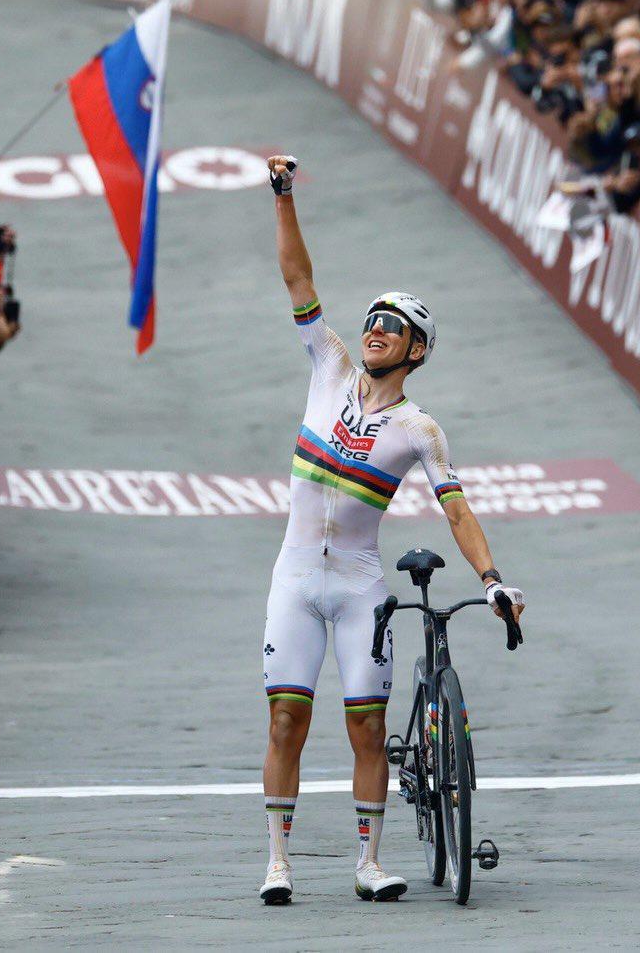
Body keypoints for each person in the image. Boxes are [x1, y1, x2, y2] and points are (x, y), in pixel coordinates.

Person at [257, 154, 525, 906]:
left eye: (393, 327)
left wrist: (492, 580)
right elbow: (297, 279)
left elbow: (457, 509)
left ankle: (369, 863)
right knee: (286, 719)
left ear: (416, 351)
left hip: (358, 586)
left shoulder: (419, 428)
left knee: (368, 731)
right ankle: (277, 861)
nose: (375, 330)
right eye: (372, 319)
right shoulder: (330, 365)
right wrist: (283, 196)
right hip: (294, 578)